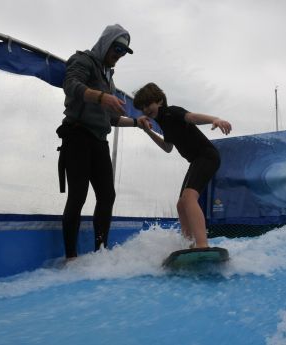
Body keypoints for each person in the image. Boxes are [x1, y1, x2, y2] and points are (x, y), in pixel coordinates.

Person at [57, 24, 148, 260]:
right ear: (106, 43)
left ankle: (101, 255)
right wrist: (101, 97)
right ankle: (71, 257)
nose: (119, 54)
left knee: (107, 196)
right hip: (77, 135)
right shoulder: (83, 60)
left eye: (123, 51)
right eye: (117, 48)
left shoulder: (109, 80)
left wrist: (138, 122)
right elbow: (71, 85)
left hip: (99, 140)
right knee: (78, 195)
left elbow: (114, 119)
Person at [133, 82, 232, 248]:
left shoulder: (172, 111)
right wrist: (148, 131)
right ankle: (190, 244)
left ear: (159, 101)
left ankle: (202, 244)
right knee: (181, 205)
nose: (145, 110)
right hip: (196, 160)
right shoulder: (162, 122)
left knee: (188, 198)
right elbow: (167, 147)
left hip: (207, 156)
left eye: (148, 104)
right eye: (142, 108)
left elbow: (192, 117)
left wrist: (215, 119)